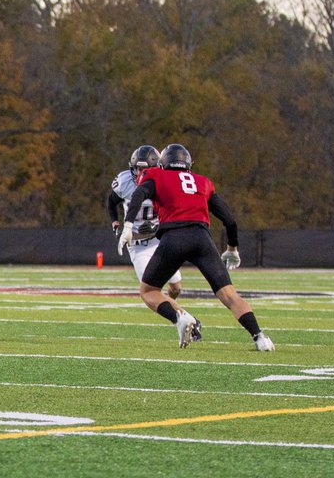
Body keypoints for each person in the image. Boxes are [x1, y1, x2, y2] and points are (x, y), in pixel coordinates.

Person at [118, 143, 274, 351]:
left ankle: (179, 317)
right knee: (229, 294)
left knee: (149, 291)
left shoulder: (157, 175)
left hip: (173, 238)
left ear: (163, 163)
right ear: (189, 164)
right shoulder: (203, 182)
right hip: (202, 239)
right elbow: (230, 220)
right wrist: (232, 248)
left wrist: (128, 224)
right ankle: (260, 337)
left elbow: (138, 194)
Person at [106, 144, 197, 337]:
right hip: (137, 244)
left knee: (176, 287)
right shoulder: (124, 182)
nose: (141, 173)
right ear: (133, 168)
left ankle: (181, 314)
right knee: (150, 289)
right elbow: (111, 201)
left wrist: (157, 227)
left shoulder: (164, 181)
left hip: (159, 238)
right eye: (138, 169)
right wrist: (116, 223)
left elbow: (174, 210)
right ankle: (186, 320)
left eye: (146, 169)